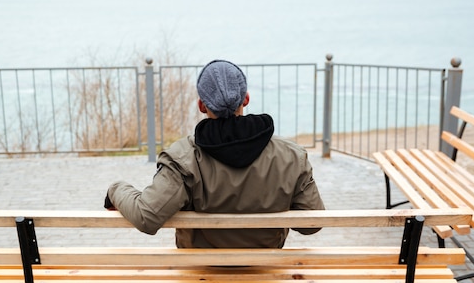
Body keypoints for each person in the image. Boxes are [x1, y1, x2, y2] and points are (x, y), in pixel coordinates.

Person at [104, 59, 324, 248]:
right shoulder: (291, 156)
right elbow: (310, 225)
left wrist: (116, 189)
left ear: (201, 105)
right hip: (264, 263)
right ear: (245, 99)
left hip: (201, 265)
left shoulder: (182, 158)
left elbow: (146, 217)